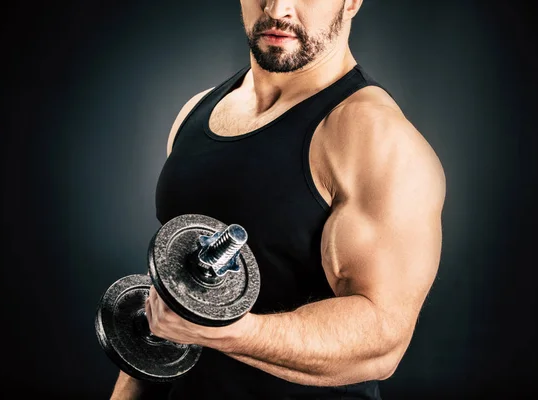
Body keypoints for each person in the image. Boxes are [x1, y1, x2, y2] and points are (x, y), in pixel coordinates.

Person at [111, 0, 445, 399]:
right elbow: (166, 301)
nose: (277, 7)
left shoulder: (375, 137)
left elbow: (382, 338)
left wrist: (233, 331)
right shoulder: (196, 113)